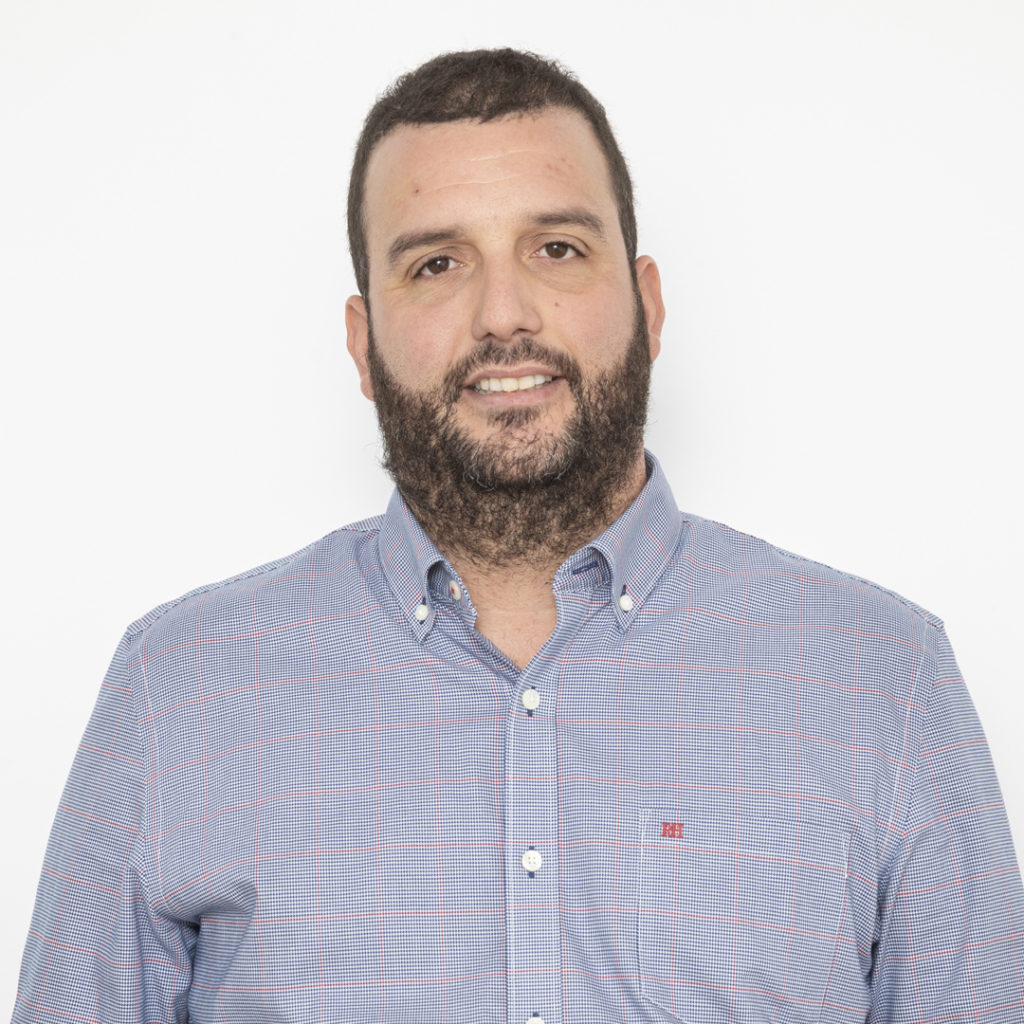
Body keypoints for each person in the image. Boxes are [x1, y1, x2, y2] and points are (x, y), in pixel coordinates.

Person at [11, 47, 1023, 1024]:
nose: (503, 314)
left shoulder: (884, 681)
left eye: (557, 249)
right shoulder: (177, 689)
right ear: (362, 344)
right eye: (437, 263)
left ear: (649, 306)